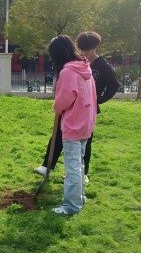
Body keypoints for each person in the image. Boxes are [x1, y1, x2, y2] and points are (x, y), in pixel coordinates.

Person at [35, 31, 119, 182]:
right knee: (58, 135)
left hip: (87, 109)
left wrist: (98, 100)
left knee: (84, 142)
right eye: (83, 49)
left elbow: (114, 84)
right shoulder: (79, 63)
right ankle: (48, 165)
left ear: (96, 47)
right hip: (71, 107)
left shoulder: (101, 65)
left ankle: (82, 173)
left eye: (89, 49)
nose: (86, 52)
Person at [47, 35, 97, 215]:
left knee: (73, 167)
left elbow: (63, 101)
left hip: (74, 125)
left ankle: (71, 206)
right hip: (86, 123)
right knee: (80, 165)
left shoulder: (68, 72)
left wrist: (56, 106)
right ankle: (80, 197)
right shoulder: (85, 67)